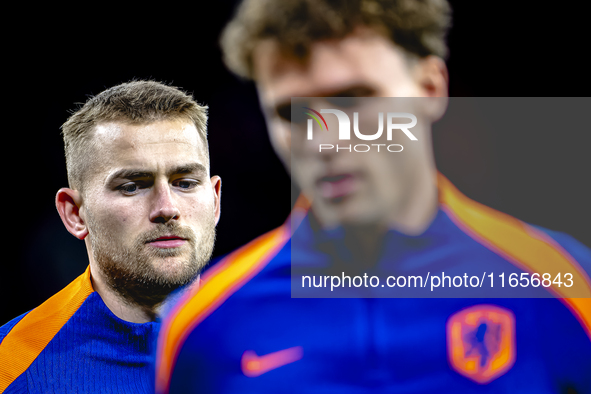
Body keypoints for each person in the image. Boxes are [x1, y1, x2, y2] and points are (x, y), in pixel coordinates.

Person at [155, 0, 591, 393]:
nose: (323, 142)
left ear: (430, 88)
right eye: (291, 113)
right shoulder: (204, 327)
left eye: (352, 99)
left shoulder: (559, 285)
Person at [0, 80, 221, 393]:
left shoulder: (289, 335)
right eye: (132, 186)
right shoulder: (10, 367)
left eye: (185, 183)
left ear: (215, 200)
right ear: (75, 213)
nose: (167, 208)